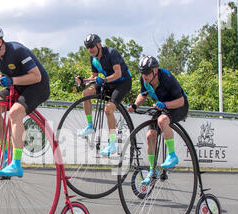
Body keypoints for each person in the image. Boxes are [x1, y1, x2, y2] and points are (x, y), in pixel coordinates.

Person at [0, 24, 50, 177]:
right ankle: (5, 154)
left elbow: (36, 76)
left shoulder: (17, 51)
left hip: (37, 86)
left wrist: (13, 80)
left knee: (15, 113)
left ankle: (16, 164)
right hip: (17, 85)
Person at [128, 56, 189, 185]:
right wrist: (135, 105)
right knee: (150, 135)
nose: (144, 75)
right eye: (142, 72)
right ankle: (153, 170)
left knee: (162, 120)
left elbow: (181, 101)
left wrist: (165, 105)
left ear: (155, 70)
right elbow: (142, 94)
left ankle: (172, 155)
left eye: (147, 72)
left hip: (178, 106)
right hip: (163, 107)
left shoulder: (167, 78)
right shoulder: (145, 79)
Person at [75, 33, 132, 156]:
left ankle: (112, 145)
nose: (90, 49)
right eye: (88, 47)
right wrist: (84, 80)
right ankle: (90, 125)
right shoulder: (93, 59)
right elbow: (93, 77)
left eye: (92, 46)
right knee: (86, 93)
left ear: (99, 44)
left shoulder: (111, 53)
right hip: (109, 82)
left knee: (108, 110)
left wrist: (104, 80)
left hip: (122, 83)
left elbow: (118, 74)